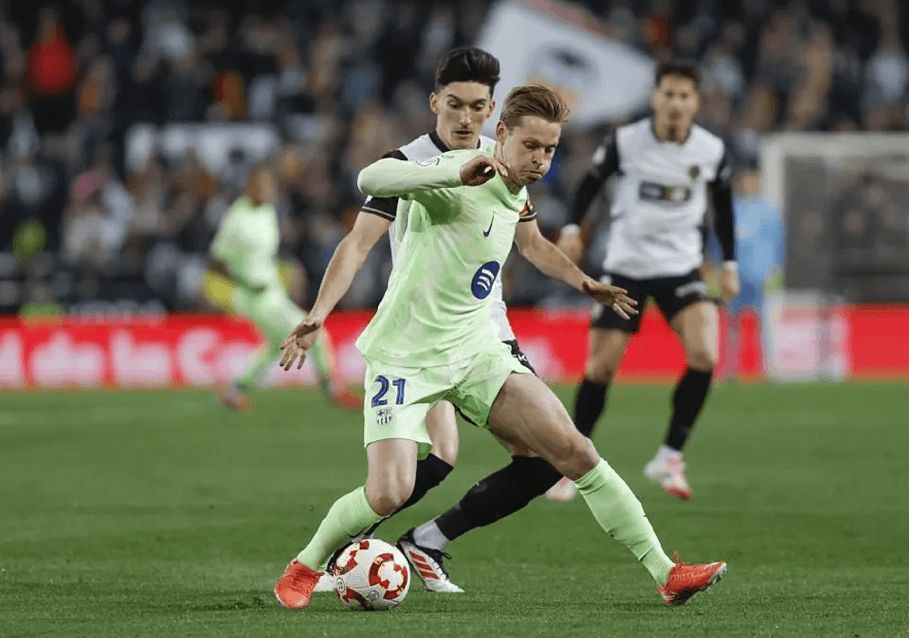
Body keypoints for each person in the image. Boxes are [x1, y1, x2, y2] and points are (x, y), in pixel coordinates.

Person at [273, 84, 727, 610]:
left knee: (574, 450)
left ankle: (667, 573)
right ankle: (306, 565)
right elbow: (368, 178)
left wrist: (585, 283)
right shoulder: (458, 173)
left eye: (550, 150)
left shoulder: (517, 191)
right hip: (406, 356)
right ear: (502, 134)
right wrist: (448, 172)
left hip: (477, 350)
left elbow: (534, 245)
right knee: (389, 492)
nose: (540, 160)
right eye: (531, 146)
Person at [550, 60, 738, 502]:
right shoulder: (626, 141)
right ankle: (571, 464)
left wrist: (729, 262)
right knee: (601, 367)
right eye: (668, 94)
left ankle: (669, 456)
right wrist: (574, 229)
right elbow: (589, 184)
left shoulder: (711, 150)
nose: (675, 103)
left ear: (696, 103)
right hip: (627, 267)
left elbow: (724, 207)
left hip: (681, 267)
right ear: (656, 97)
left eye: (684, 96)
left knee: (705, 354)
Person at [208, 165, 359, 411]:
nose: (269, 191)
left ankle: (235, 390)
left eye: (271, 186)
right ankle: (333, 389)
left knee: (275, 344)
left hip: (272, 291)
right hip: (256, 295)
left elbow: (263, 254)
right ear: (250, 187)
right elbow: (216, 260)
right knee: (314, 333)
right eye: (263, 186)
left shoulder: (267, 211)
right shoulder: (237, 218)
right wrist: (245, 280)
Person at [708, 167, 783, 380]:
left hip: (761, 275)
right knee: (731, 324)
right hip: (735, 275)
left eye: (753, 179)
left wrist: (777, 268)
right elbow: (717, 243)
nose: (748, 183)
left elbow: (778, 243)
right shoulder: (729, 210)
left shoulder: (769, 210)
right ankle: (730, 367)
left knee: (766, 323)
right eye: (745, 179)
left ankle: (770, 367)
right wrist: (716, 267)